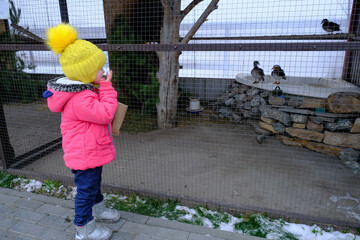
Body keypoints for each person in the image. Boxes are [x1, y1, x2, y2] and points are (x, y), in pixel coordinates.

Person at [43, 23, 120, 240]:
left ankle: (99, 210)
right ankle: (84, 229)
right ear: (84, 73)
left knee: (92, 185)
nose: (103, 72)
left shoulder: (83, 90)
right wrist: (107, 88)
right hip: (85, 154)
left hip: (88, 152)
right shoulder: (81, 98)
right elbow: (105, 113)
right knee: (86, 191)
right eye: (99, 69)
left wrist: (100, 87)